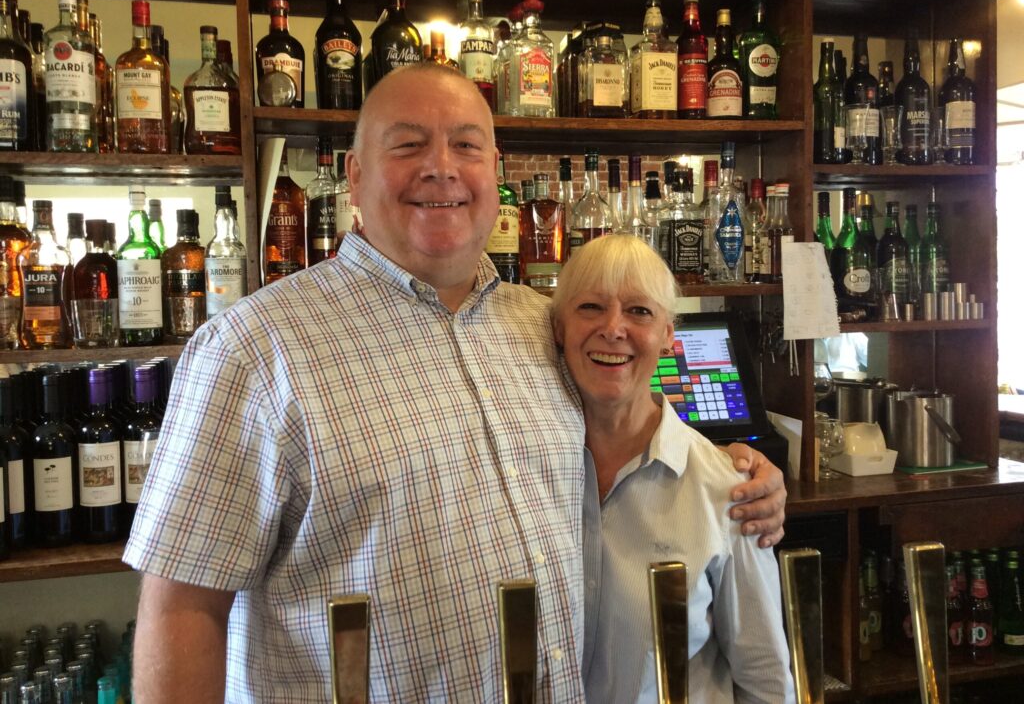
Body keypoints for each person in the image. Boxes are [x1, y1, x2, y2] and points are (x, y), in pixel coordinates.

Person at [124, 63, 787, 703]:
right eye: (408, 144)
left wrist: (738, 475)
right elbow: (184, 606)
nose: (441, 167)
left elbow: (633, 421)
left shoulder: (540, 322)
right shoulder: (251, 350)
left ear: (495, 174)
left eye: (466, 146)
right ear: (354, 176)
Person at [550, 234, 795, 703]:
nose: (614, 328)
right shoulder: (525, 471)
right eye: (590, 308)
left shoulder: (726, 488)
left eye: (639, 311)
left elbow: (765, 677)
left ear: (668, 335)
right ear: (559, 329)